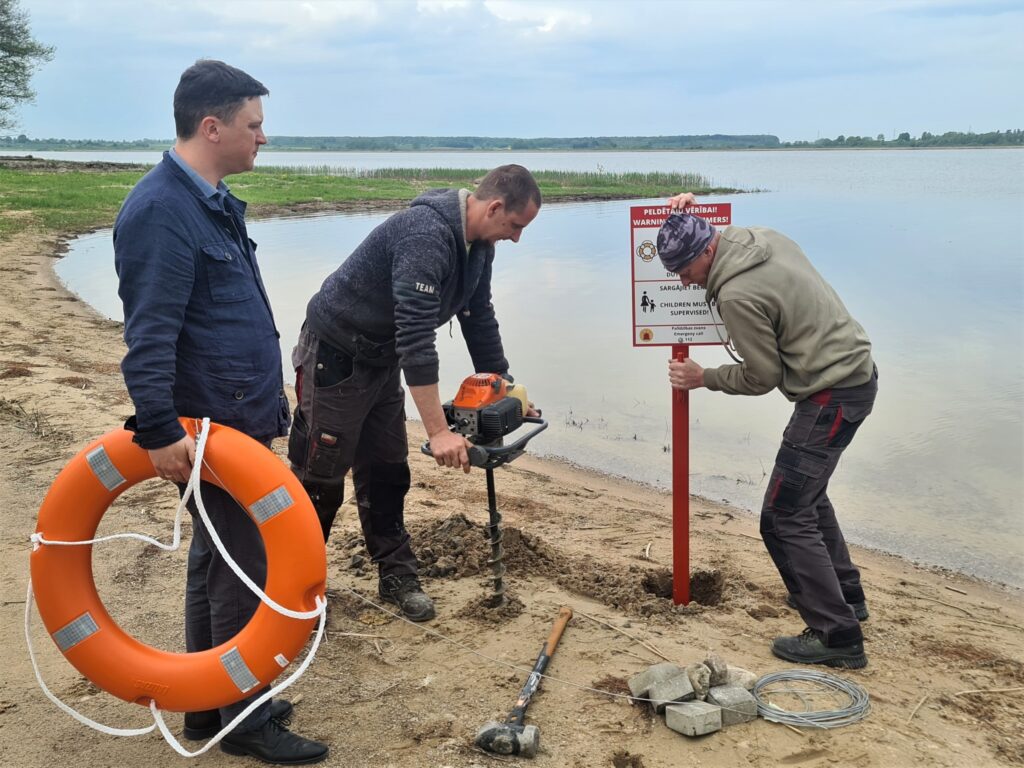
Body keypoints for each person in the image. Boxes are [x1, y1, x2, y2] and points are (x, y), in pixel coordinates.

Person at [114, 59, 328, 764]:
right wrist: (157, 429)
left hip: (237, 417)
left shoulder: (210, 201)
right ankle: (244, 715)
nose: (263, 137)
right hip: (211, 426)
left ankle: (208, 703)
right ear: (212, 127)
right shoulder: (161, 212)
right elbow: (150, 335)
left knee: (218, 555)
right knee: (242, 565)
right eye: (254, 125)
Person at [288, 164, 542, 621]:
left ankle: (396, 575)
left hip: (382, 357)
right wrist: (439, 432)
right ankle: (292, 589)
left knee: (388, 469)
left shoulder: (479, 247)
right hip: (336, 353)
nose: (517, 237)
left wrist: (506, 390)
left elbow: (479, 318)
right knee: (320, 477)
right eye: (515, 225)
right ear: (494, 207)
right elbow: (416, 339)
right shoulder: (425, 236)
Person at [658, 192, 877, 669]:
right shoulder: (759, 238)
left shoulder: (736, 295)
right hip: (856, 377)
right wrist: (685, 212)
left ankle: (837, 635)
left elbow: (762, 376)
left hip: (831, 395)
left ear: (706, 251)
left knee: (782, 515)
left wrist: (704, 377)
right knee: (807, 497)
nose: (683, 281)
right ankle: (846, 596)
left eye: (685, 270)